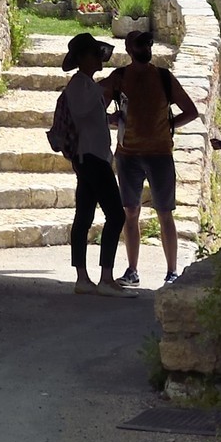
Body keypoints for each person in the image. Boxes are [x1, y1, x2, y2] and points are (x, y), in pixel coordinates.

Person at [113, 29, 199, 288]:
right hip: (131, 154)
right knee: (132, 213)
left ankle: (171, 271)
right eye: (140, 45)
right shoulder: (120, 78)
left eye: (145, 44)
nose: (143, 48)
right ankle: (133, 270)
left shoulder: (163, 77)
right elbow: (99, 101)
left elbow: (191, 111)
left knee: (163, 213)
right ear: (130, 49)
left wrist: (168, 125)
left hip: (158, 154)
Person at [48, 33, 128, 296]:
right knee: (116, 215)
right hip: (91, 157)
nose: (98, 58)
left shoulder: (86, 86)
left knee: (84, 216)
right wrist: (103, 93)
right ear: (83, 58)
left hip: (90, 157)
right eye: (94, 54)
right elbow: (83, 113)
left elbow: (91, 117)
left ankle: (84, 277)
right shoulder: (80, 86)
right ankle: (105, 276)